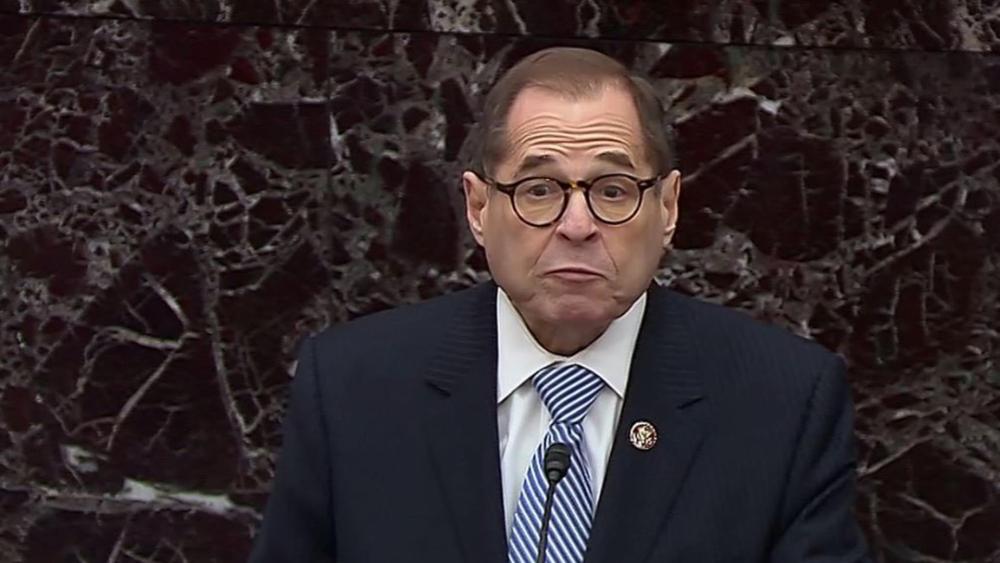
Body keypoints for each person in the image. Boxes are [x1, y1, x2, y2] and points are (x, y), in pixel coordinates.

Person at [249, 47, 871, 562]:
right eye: (539, 188)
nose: (577, 225)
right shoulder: (354, 387)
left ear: (668, 208)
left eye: (613, 189)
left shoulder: (781, 402)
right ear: (478, 208)